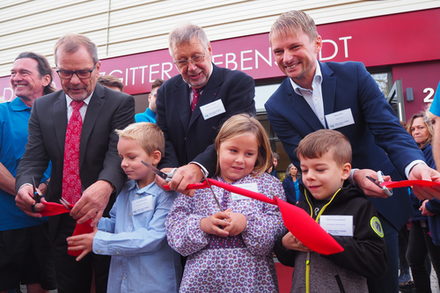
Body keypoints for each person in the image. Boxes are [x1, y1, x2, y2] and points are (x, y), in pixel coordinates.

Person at [265, 10, 440, 292]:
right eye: (278, 51)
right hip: (327, 212)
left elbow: (388, 130)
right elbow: (302, 156)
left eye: (295, 46)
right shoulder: (276, 105)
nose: (286, 58)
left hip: (379, 206)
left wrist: (415, 167)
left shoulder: (353, 75)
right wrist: (354, 174)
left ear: (317, 44)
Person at [15, 34, 135, 293]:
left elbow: (118, 154)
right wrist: (25, 185)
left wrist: (105, 185)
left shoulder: (119, 103)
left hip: (107, 215)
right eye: (66, 73)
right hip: (62, 215)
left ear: (97, 67)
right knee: (70, 285)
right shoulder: (43, 107)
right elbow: (33, 157)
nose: (75, 81)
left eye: (83, 72)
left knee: (109, 283)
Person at [166, 114, 285, 293]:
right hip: (202, 280)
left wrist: (246, 223)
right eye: (233, 150)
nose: (240, 160)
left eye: (249, 154)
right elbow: (174, 228)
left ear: (259, 153)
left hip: (252, 281)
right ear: (218, 147)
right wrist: (203, 224)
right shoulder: (197, 185)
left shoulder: (268, 185)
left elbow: (278, 226)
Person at [66, 122, 182, 293]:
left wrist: (98, 241)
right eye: (121, 157)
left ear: (155, 157)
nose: (123, 164)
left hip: (153, 284)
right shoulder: (125, 189)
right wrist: (91, 217)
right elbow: (115, 223)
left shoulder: (167, 194)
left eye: (131, 157)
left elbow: (154, 238)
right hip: (121, 282)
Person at [275, 129, 387, 292]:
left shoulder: (359, 207)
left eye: (319, 169)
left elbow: (377, 262)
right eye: (305, 170)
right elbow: (289, 259)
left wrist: (327, 243)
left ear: (345, 171)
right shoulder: (301, 206)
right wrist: (284, 244)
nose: (309, 176)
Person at [156, 23, 255, 194]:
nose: (192, 67)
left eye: (197, 57)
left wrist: (199, 167)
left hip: (223, 185)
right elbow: (164, 136)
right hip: (178, 187)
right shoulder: (167, 90)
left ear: (209, 50)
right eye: (182, 61)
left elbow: (235, 135)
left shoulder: (237, 83)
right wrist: (169, 169)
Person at [0, 52, 56, 293]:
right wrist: (25, 195)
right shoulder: (3, 113)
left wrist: (45, 189)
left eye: (24, 72)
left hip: (50, 218)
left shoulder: (60, 114)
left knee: (42, 283)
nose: (16, 78)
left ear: (45, 79)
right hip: (8, 222)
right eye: (13, 73)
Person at [406, 112, 440, 292]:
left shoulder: (434, 152)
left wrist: (431, 205)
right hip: (419, 217)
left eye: (421, 127)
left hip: (432, 215)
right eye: (413, 128)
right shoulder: (414, 155)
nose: (416, 131)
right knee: (414, 258)